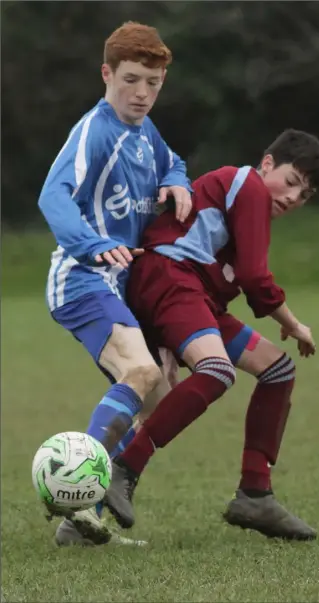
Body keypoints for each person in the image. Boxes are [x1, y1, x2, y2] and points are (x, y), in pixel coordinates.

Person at [103, 129, 319, 541]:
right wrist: (292, 323)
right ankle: (125, 469)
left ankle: (255, 492)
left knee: (277, 369)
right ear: (267, 164)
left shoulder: (245, 198)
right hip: (171, 278)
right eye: (293, 181)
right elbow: (254, 278)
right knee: (216, 371)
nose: (293, 198)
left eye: (305, 194)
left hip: (195, 295)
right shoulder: (249, 186)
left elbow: (235, 276)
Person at [38, 21, 192, 547]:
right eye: (131, 80)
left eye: (154, 83)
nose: (143, 94)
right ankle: (69, 491)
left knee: (158, 400)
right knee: (142, 370)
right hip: (82, 277)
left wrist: (176, 181)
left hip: (116, 284)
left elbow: (174, 163)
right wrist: (90, 243)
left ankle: (78, 521)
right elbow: (53, 197)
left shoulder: (144, 132)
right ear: (106, 74)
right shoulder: (96, 129)